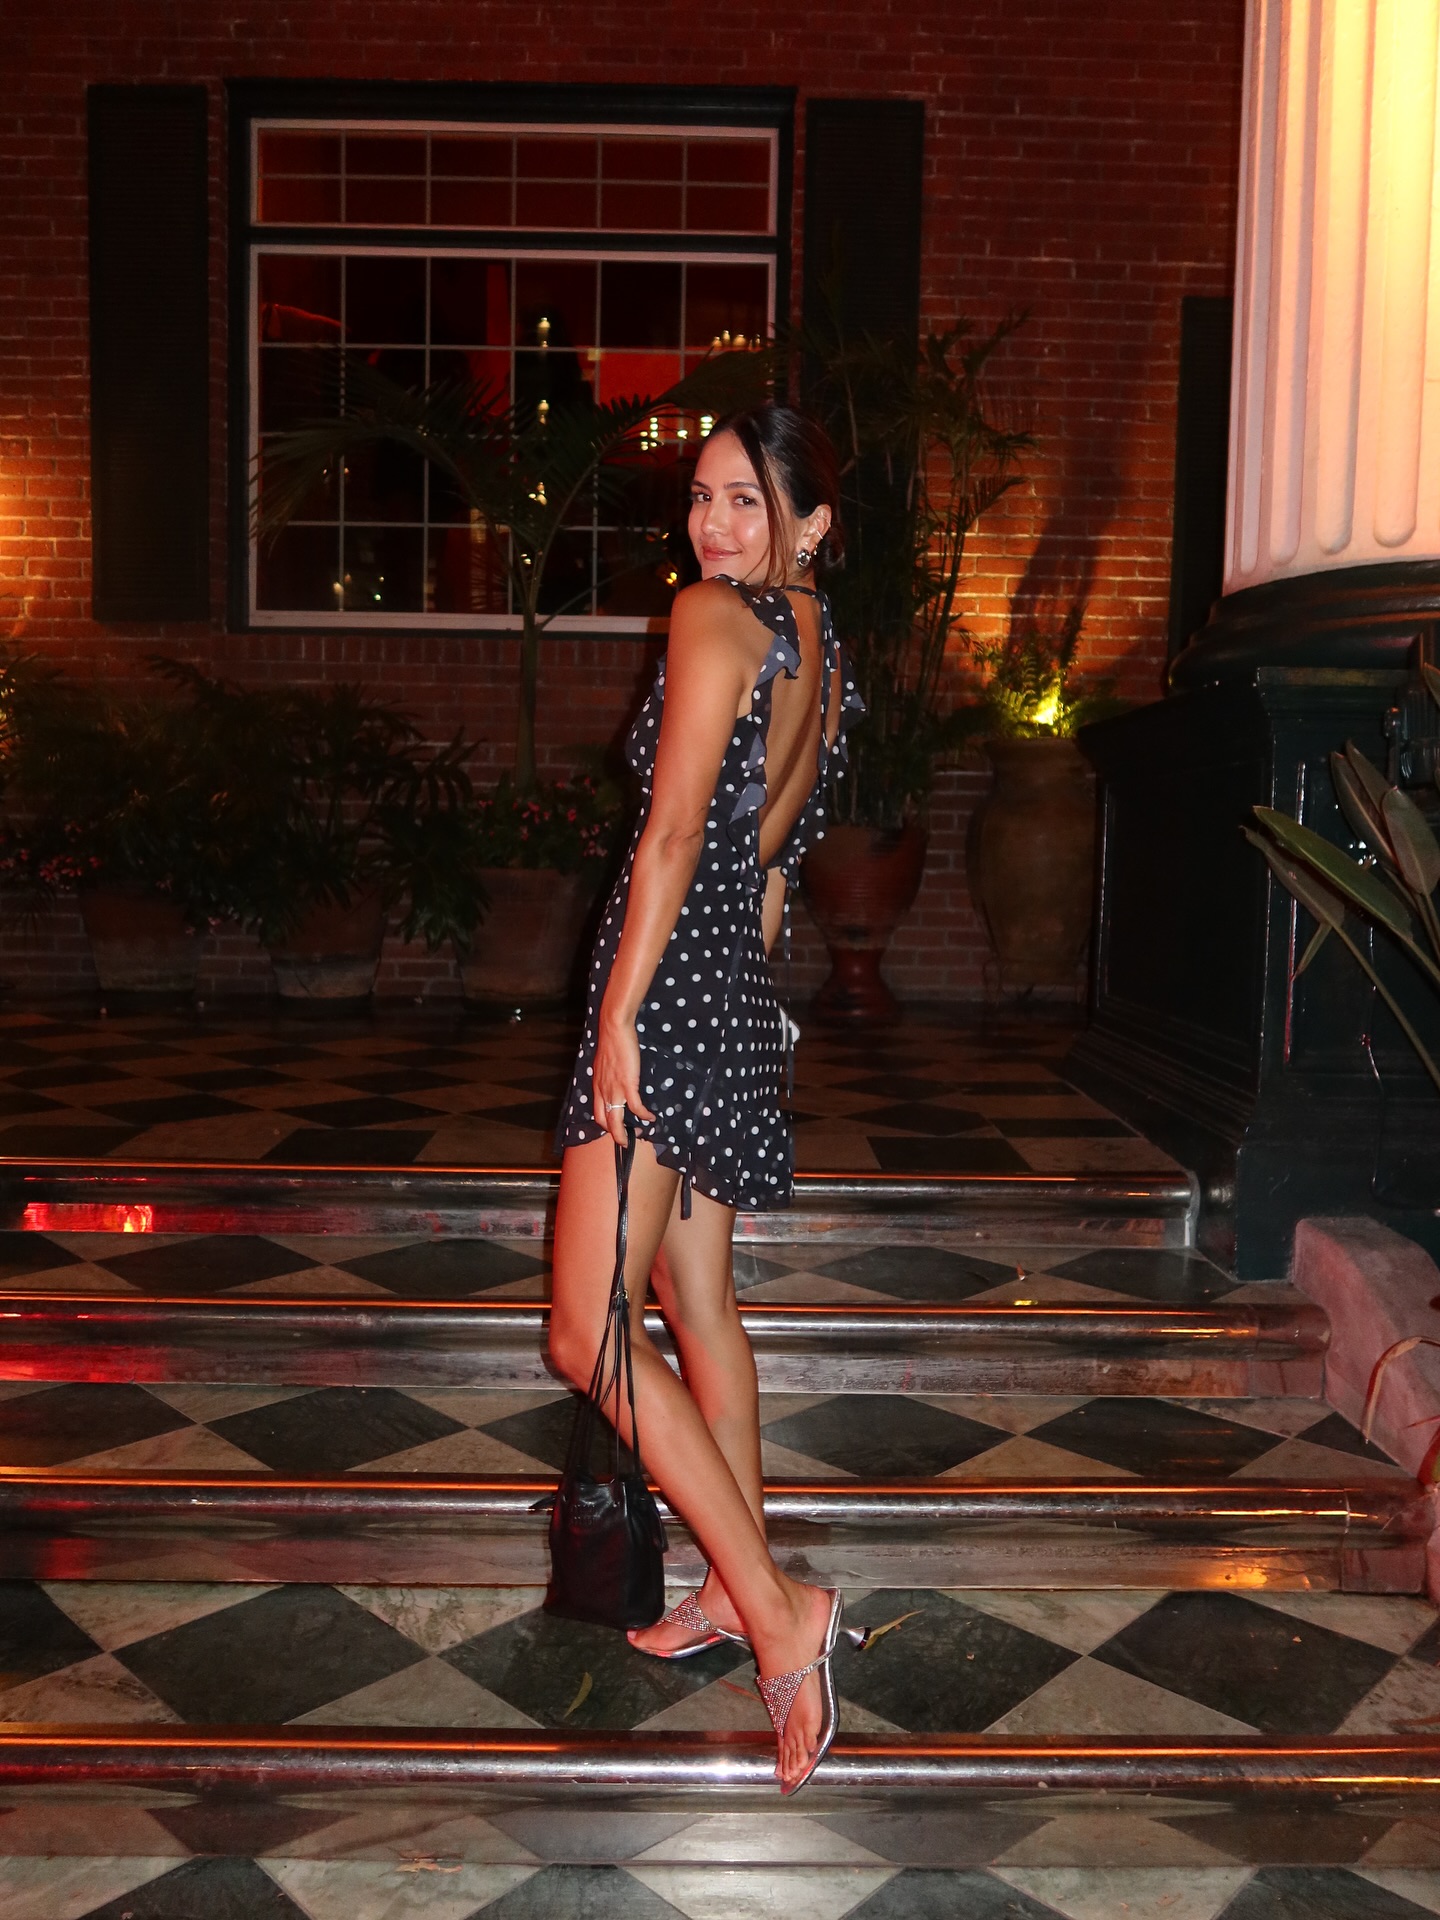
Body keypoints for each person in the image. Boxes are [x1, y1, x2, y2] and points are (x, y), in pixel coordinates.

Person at [549, 402, 863, 1795]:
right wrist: (737, 1010)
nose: (714, 524)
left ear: (811, 522)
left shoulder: (709, 618)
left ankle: (781, 1609)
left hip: (670, 990)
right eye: (701, 496)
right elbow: (774, 860)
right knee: (697, 1304)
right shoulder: (821, 650)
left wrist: (622, 1014)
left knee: (584, 1329)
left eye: (747, 498)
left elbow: (676, 831)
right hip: (732, 990)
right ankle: (740, 1591)